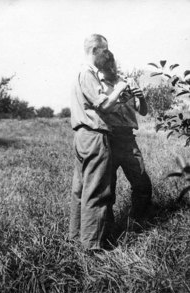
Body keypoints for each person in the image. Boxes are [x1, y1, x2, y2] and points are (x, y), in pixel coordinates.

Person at [69, 34, 129, 251]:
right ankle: (92, 247)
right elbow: (103, 106)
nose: (107, 54)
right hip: (94, 136)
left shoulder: (81, 73)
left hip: (82, 136)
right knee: (97, 191)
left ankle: (76, 237)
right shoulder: (88, 74)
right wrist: (121, 88)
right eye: (104, 50)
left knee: (81, 188)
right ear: (94, 50)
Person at [99, 50, 152, 227]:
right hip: (109, 139)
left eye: (112, 64)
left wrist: (141, 96)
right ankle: (108, 228)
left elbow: (142, 111)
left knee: (142, 183)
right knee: (107, 188)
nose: (111, 69)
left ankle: (137, 222)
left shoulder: (128, 82)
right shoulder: (97, 85)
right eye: (107, 66)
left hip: (129, 139)